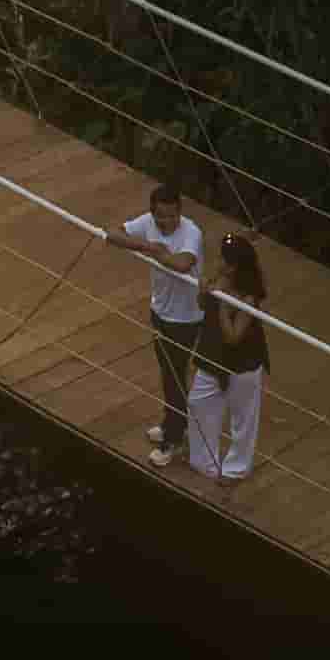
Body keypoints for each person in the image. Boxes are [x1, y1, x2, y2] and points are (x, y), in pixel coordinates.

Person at [102, 178, 206, 459]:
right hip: (160, 310)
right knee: (167, 372)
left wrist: (158, 251)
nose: (166, 222)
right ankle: (173, 423)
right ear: (152, 212)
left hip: (186, 318)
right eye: (160, 216)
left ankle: (173, 439)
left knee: (174, 375)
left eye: (172, 216)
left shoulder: (190, 232)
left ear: (180, 212)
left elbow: (184, 263)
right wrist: (150, 247)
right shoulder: (148, 223)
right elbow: (112, 234)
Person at [189, 231, 272, 484]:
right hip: (212, 354)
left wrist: (224, 304)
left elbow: (234, 337)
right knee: (198, 402)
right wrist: (205, 292)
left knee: (243, 417)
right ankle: (205, 463)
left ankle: (236, 469)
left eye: (226, 260)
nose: (220, 263)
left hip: (243, 363)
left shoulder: (249, 297)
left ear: (237, 266)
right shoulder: (220, 277)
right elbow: (203, 305)